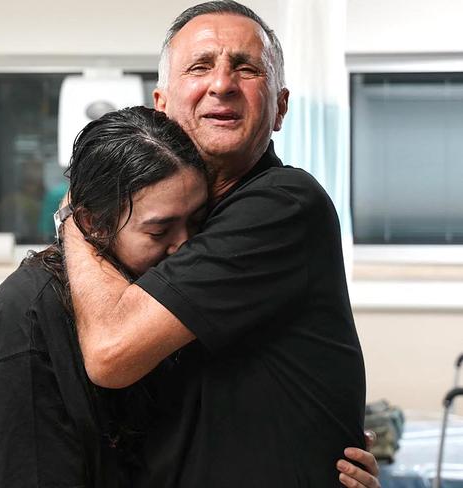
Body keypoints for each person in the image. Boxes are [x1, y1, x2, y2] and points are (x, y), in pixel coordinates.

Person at [0, 107, 377, 487]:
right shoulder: (28, 316)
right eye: (159, 231)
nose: (184, 245)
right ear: (94, 223)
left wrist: (314, 455)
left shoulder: (155, 297)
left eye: (198, 222)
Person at [62, 2, 377, 487]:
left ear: (281, 108)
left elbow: (111, 351)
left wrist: (71, 218)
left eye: (246, 68)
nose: (222, 84)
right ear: (160, 105)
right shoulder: (171, 223)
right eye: (200, 66)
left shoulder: (283, 205)